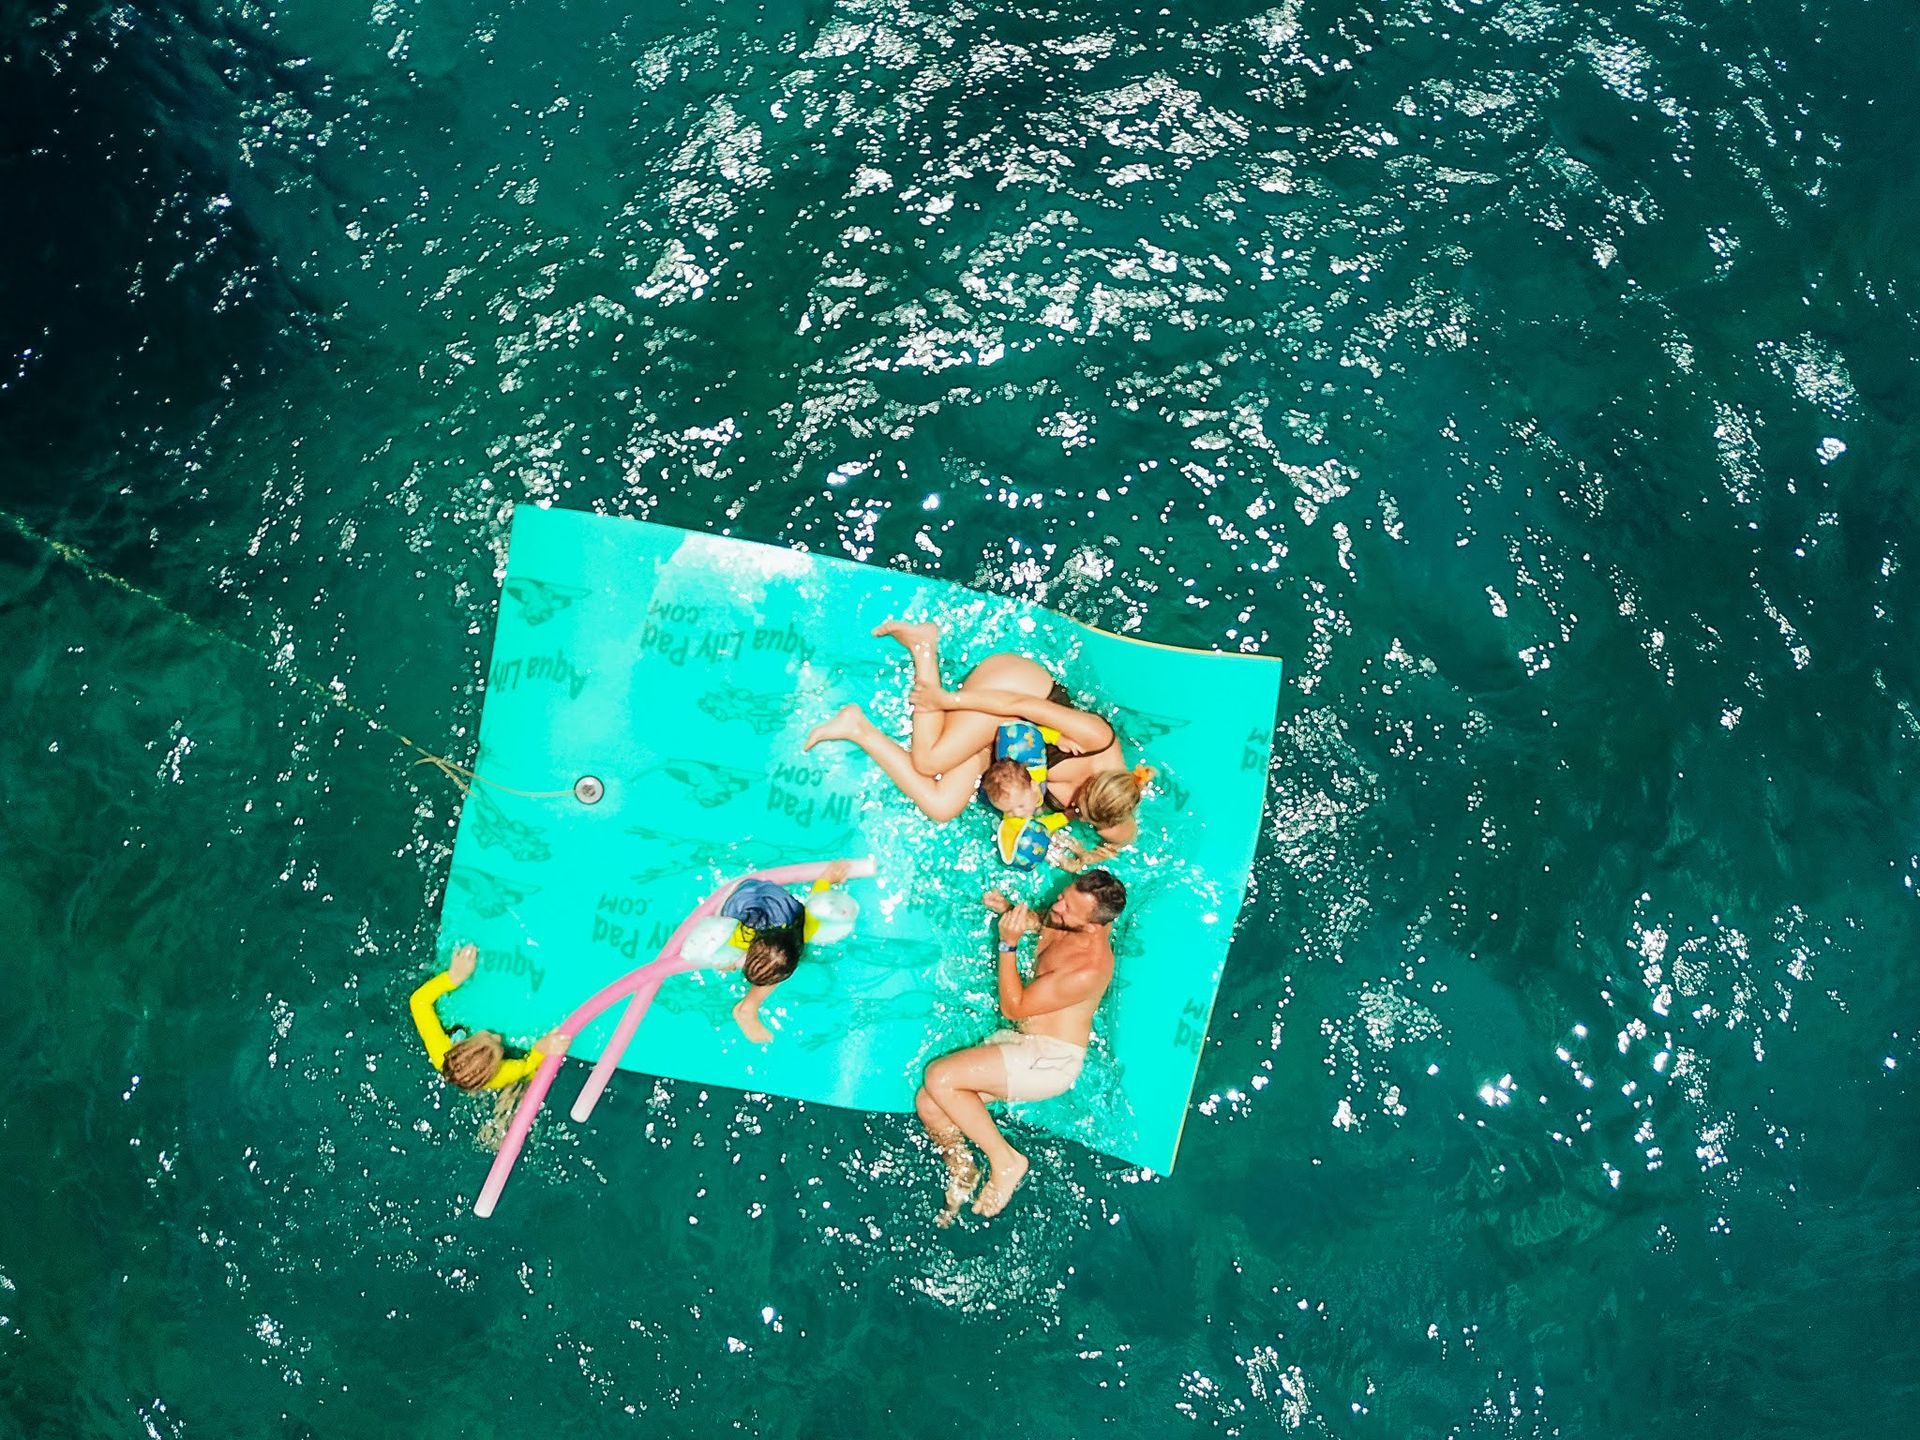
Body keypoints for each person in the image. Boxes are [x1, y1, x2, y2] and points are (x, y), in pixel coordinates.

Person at [803, 619, 1148, 868]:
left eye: (1084, 818)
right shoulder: (1096, 741)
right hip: (1014, 690)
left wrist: (1084, 858)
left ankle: (856, 728)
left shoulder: (1111, 816)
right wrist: (944, 700)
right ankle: (924, 646)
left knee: (942, 807)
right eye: (1080, 804)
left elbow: (1118, 843)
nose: (1073, 810)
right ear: (1093, 782)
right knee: (929, 761)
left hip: (1000, 745)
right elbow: (1019, 706)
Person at [914, 869, 1129, 1222]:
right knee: (930, 1102)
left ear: (1094, 926)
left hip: (1047, 1061)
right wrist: (1011, 911)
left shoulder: (1088, 968)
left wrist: (1008, 943)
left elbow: (1013, 1006)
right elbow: (1045, 923)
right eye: (1062, 896)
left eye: (1066, 907)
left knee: (939, 1077)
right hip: (1023, 1042)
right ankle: (962, 1167)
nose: (1056, 905)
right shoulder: (1071, 916)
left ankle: (1007, 1161)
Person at [410, 943, 569, 1146]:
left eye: (489, 1037)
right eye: (500, 1049)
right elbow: (528, 1066)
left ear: (462, 1043)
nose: (498, 1038)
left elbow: (418, 1002)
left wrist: (453, 977)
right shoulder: (501, 1074)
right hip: (496, 1080)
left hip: (471, 1072)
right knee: (519, 1088)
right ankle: (498, 1126)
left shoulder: (441, 1050)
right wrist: (542, 1048)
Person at [709, 859, 856, 1043]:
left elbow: (819, 894)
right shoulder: (802, 926)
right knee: (773, 963)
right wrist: (727, 962)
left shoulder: (805, 925)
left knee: (775, 960)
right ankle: (748, 1007)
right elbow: (720, 954)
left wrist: (828, 877)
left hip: (751, 895)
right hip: (733, 899)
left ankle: (748, 1006)